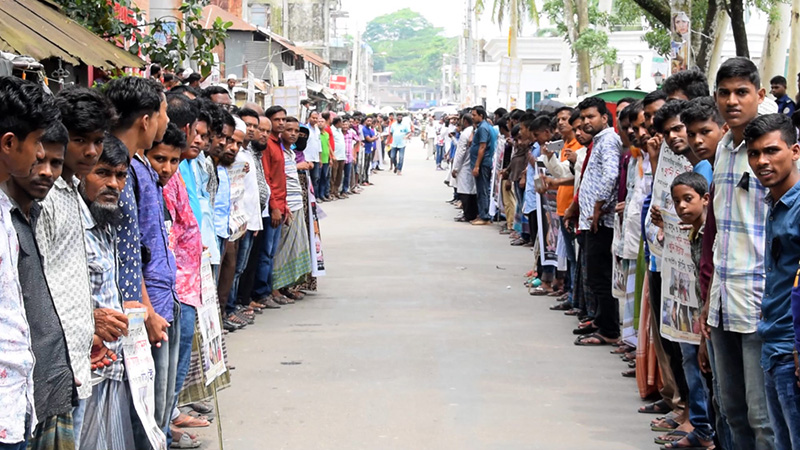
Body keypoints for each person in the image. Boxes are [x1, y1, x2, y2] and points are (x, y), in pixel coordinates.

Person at [700, 57, 775, 450]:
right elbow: (716, 233)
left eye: (742, 92)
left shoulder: (771, 151)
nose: (732, 100)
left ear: (759, 96)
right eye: (725, 93)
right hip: (722, 303)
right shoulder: (725, 148)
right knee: (730, 409)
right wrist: (706, 303)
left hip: (760, 305)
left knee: (763, 418)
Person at [39, 85, 113, 447]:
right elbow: (39, 281)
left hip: (76, 358)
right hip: (54, 362)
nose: (91, 151)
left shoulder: (72, 190)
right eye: (81, 139)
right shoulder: (46, 196)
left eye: (97, 140)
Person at [4, 123, 76, 449]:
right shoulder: (8, 220)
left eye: (55, 164)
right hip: (19, 390)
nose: (45, 171)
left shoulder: (40, 215)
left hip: (53, 381)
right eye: (39, 159)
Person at [78, 136, 143, 450]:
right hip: (83, 368)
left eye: (120, 176)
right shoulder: (72, 225)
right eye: (102, 173)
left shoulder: (107, 225)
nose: (113, 184)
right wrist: (89, 322)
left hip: (111, 364)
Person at [744, 113, 800, 449]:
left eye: (772, 151)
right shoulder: (774, 202)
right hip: (774, 345)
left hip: (791, 351)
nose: (762, 161)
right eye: (754, 153)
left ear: (795, 151)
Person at [663, 172, 715, 449]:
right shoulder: (694, 231)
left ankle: (707, 432)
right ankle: (702, 430)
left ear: (706, 199)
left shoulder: (709, 233)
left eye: (688, 199)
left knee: (704, 373)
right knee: (692, 367)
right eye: (677, 202)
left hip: (708, 314)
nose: (682, 206)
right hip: (696, 311)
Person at [573, 97, 621, 346]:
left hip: (600, 221)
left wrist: (599, 208)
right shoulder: (599, 141)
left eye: (591, 117)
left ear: (604, 117)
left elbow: (611, 174)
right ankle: (601, 321)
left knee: (600, 276)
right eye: (583, 118)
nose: (586, 122)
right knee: (594, 275)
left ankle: (609, 330)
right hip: (591, 218)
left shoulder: (609, 140)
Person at [251, 106, 289, 309]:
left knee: (271, 253)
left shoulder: (278, 144)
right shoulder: (266, 147)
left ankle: (268, 290)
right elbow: (267, 179)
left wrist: (284, 206)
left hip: (280, 205)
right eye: (277, 119)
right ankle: (261, 292)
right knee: (265, 254)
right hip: (270, 208)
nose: (281, 123)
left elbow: (279, 178)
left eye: (283, 119)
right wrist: (274, 206)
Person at [470, 107, 496, 224]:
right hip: (481, 162)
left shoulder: (483, 128)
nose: (472, 117)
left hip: (482, 163)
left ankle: (484, 216)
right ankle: (482, 214)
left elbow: (482, 146)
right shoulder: (480, 127)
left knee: (483, 189)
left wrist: (477, 166)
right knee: (481, 189)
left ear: (481, 115)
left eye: (474, 115)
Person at [452, 114, 477, 222]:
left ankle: (468, 214)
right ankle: (471, 213)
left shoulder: (465, 134)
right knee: (472, 191)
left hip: (465, 165)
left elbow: (460, 152)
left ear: (465, 121)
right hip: (471, 164)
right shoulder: (473, 131)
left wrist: (456, 168)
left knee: (465, 191)